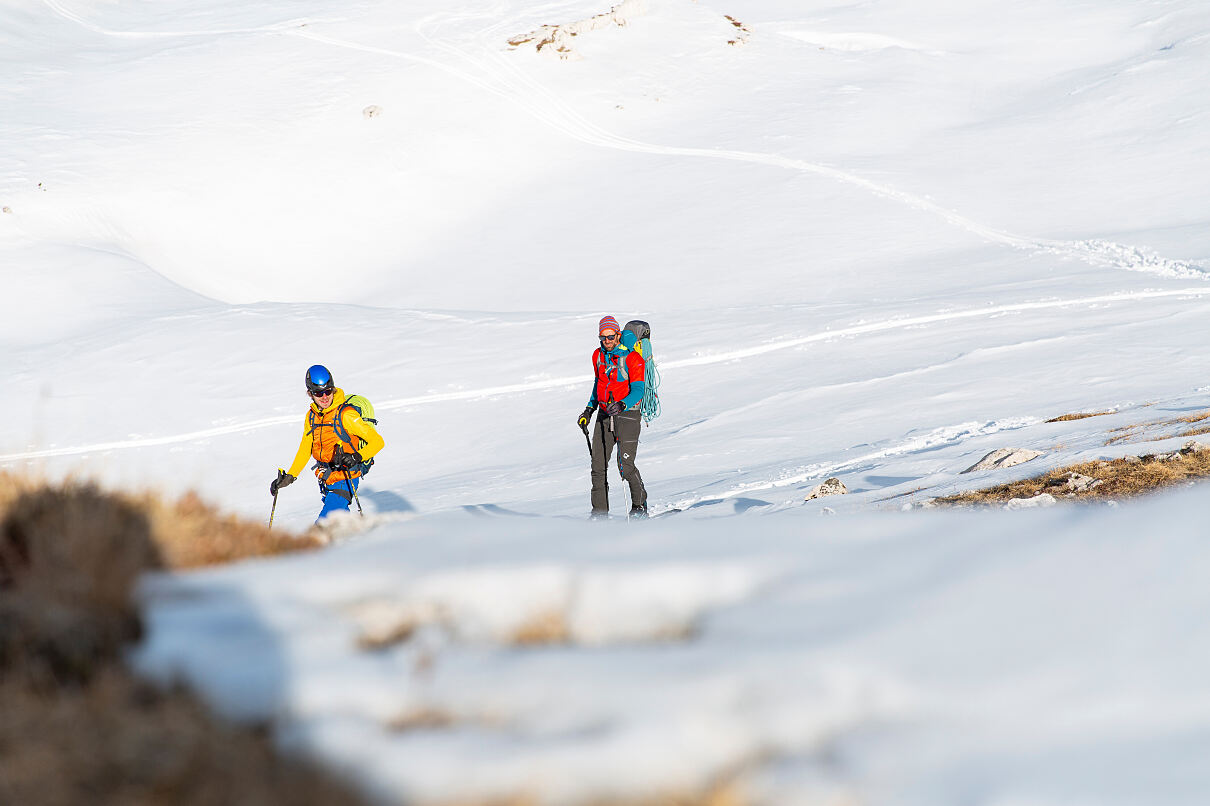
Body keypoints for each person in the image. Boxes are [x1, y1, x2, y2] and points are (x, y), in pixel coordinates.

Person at [269, 365, 385, 522]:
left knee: (322, 528)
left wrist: (356, 457)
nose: (324, 397)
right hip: (325, 478)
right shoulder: (311, 417)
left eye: (328, 391)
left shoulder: (346, 415)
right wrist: (290, 476)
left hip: (346, 478)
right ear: (310, 394)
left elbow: (378, 441)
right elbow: (305, 447)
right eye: (318, 393)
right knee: (339, 529)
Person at [577, 316, 648, 519]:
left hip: (628, 415)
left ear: (617, 335)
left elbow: (638, 389)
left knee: (625, 466)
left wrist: (623, 404)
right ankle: (599, 514)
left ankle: (639, 506)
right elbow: (597, 384)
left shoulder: (633, 358)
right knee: (597, 466)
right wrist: (589, 410)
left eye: (610, 336)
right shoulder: (598, 356)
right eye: (603, 337)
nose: (606, 341)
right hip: (604, 414)